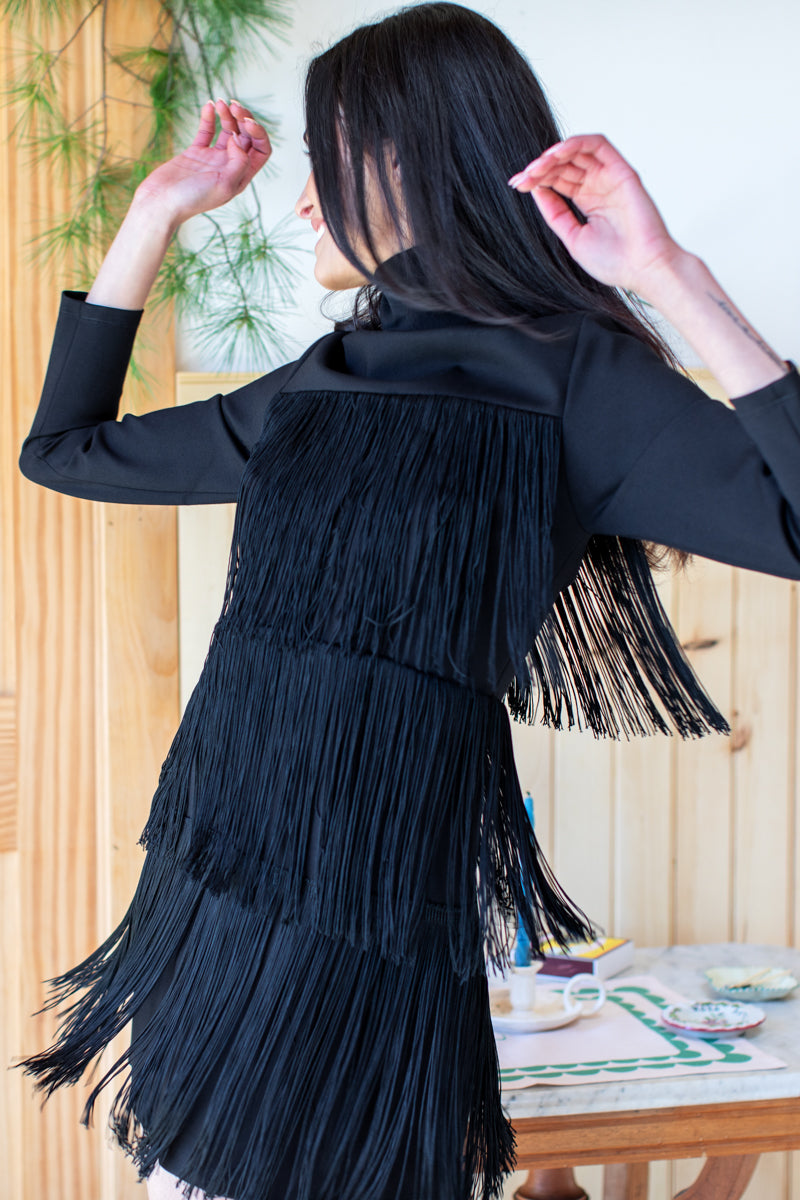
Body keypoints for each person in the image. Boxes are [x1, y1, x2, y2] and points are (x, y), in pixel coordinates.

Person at [17, 3, 800, 1199]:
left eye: (321, 163)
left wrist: (666, 275)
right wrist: (154, 213)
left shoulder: (575, 381)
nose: (301, 202)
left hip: (378, 904)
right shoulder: (323, 376)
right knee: (184, 1176)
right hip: (209, 874)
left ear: (404, 160)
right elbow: (64, 452)